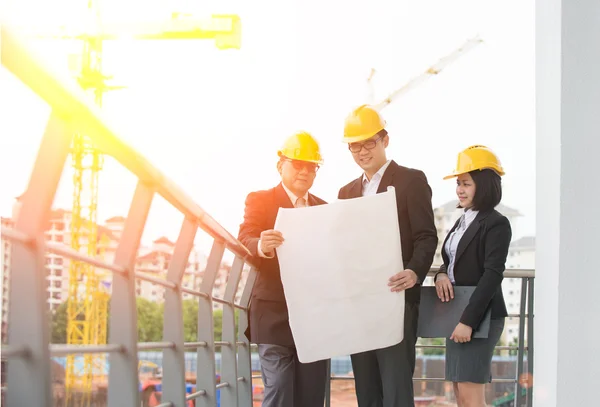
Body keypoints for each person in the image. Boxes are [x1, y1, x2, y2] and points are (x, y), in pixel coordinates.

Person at [338, 105, 438, 407]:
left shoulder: (410, 180)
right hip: (361, 302)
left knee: (395, 387)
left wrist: (414, 271)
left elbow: (425, 235)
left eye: (369, 142)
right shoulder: (346, 193)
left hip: (397, 298)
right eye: (355, 145)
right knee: (366, 388)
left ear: (385, 140)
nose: (362, 151)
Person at [238, 131, 328, 407]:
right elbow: (245, 236)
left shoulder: (324, 208)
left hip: (314, 315)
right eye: (297, 164)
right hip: (273, 313)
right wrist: (262, 245)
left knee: (311, 395)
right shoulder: (261, 200)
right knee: (278, 387)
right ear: (281, 166)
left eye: (311, 166)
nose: (304, 171)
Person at [434, 145, 512, 407]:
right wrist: (441, 275)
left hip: (480, 316)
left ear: (485, 185)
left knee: (470, 394)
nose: (459, 189)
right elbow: (450, 261)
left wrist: (468, 321)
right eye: (458, 183)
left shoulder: (496, 223)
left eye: (466, 183)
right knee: (460, 392)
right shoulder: (463, 220)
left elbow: (492, 275)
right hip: (457, 313)